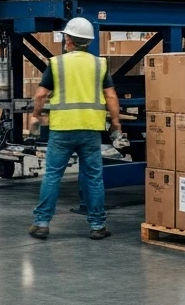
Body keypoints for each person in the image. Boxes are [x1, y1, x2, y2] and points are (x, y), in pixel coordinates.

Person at [29, 17, 124, 240]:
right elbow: (111, 96)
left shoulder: (56, 63)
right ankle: (98, 226)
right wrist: (116, 124)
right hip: (91, 129)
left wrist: (35, 115)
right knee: (93, 177)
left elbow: (41, 94)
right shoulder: (99, 64)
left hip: (62, 129)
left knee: (52, 175)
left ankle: (42, 223)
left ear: (69, 40)